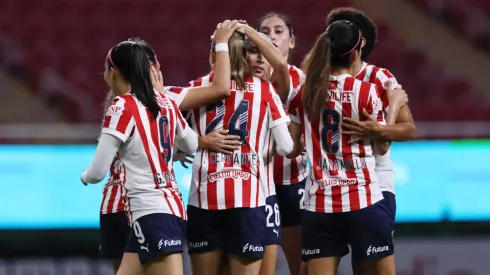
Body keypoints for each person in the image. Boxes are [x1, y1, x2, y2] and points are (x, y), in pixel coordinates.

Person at [97, 24, 242, 274]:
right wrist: (201, 141)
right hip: (142, 206)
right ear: (152, 68)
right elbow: (221, 89)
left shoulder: (120, 104)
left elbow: (139, 150)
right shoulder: (164, 97)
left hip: (116, 205)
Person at [287, 20, 406, 275]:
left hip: (319, 205)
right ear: (355, 52)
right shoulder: (365, 91)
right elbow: (382, 147)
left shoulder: (304, 91)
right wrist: (394, 105)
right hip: (363, 200)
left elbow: (292, 148)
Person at [81, 40, 198, 275]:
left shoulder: (122, 106)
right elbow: (192, 143)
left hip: (148, 211)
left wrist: (85, 176)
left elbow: (98, 172)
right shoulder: (165, 101)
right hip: (169, 208)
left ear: (113, 72)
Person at [185, 27, 293, 275]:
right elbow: (287, 146)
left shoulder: (195, 88)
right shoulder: (264, 90)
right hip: (253, 198)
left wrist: (200, 142)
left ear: (214, 55)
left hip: (204, 198)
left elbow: (175, 140)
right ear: (244, 55)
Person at [326, 7, 416, 275]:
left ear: (359, 41)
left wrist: (376, 130)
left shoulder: (380, 78)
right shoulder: (319, 78)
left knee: (366, 266)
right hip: (328, 183)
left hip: (375, 183)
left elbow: (408, 129)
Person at [257, 12, 308, 275]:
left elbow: (280, 71)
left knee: (299, 266)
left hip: (291, 182)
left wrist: (254, 37)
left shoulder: (296, 78)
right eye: (265, 32)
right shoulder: (244, 82)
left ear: (292, 41)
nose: (272, 37)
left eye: (278, 31)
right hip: (255, 184)